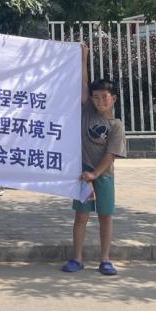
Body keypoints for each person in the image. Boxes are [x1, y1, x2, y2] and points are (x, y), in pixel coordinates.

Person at [62, 45, 128, 275]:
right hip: (83, 175)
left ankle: (105, 259)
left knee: (105, 217)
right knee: (81, 216)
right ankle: (77, 258)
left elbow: (111, 155)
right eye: (96, 97)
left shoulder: (116, 125)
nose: (100, 101)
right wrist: (83, 58)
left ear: (113, 99)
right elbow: (83, 84)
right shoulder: (87, 113)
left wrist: (95, 174)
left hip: (103, 176)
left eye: (104, 97)